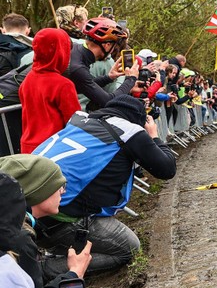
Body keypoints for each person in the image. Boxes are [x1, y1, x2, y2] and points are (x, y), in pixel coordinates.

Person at [33, 95, 177, 277]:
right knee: (129, 248)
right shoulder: (129, 132)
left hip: (32, 215)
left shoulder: (81, 120)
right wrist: (154, 137)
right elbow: (167, 169)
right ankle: (42, 271)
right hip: (61, 220)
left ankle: (54, 252)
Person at [18, 29, 81, 154]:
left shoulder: (28, 79)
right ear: (60, 52)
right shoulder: (63, 85)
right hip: (53, 148)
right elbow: (75, 121)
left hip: (28, 147)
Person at [66, 17, 139, 111]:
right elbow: (108, 101)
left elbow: (85, 85)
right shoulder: (78, 68)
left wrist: (109, 77)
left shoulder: (76, 50)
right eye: (114, 46)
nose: (112, 51)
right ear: (107, 45)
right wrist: (131, 80)